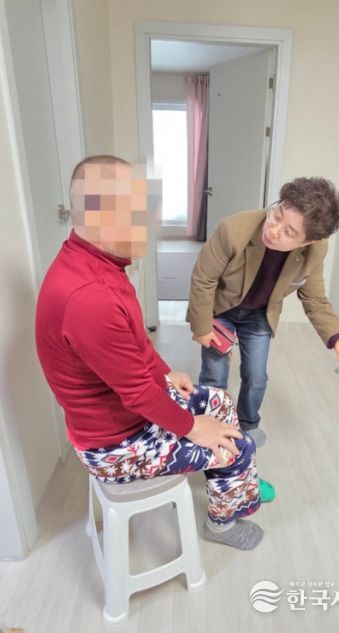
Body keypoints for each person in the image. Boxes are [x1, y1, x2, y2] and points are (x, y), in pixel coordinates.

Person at [35, 155, 263, 550]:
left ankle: (226, 484)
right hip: (115, 445)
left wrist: (166, 373)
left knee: (220, 403)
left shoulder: (96, 263)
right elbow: (138, 395)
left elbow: (134, 342)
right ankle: (222, 523)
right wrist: (195, 429)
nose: (151, 221)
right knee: (237, 448)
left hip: (125, 417)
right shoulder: (90, 298)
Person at [187, 177, 339, 448]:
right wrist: (201, 327)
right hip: (221, 309)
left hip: (259, 314)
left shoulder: (316, 250)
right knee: (214, 374)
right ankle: (212, 424)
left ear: (307, 241)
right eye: (277, 215)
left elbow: (315, 298)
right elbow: (204, 279)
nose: (273, 230)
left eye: (289, 232)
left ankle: (248, 423)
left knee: (257, 376)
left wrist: (338, 336)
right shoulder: (234, 229)